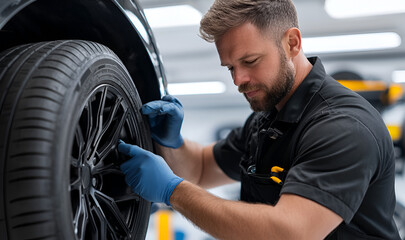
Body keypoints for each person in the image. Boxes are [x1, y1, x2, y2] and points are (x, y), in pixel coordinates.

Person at [117, 0, 401, 239]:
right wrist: (172, 142)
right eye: (230, 67)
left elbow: (289, 232)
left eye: (250, 61)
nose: (238, 80)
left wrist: (173, 191)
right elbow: (201, 169)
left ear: (292, 43)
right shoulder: (268, 122)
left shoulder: (342, 126)